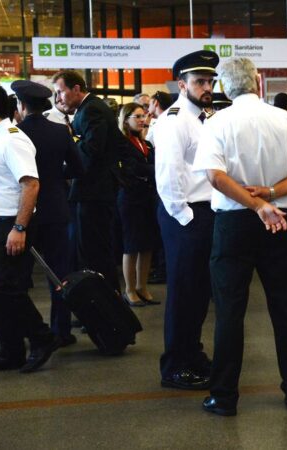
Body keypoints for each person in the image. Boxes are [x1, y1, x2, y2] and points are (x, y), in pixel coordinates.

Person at [193, 57, 287, 417]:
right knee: (286, 307)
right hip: (281, 219)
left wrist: (254, 205)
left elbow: (215, 177)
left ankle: (224, 396)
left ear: (224, 88)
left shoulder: (219, 122)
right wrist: (271, 194)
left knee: (230, 312)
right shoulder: (286, 119)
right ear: (257, 83)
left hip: (235, 224)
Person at [0, 83, 58, 373]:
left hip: (9, 224)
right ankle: (11, 350)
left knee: (2, 286)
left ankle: (42, 337)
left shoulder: (11, 139)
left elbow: (30, 183)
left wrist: (19, 227)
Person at [154, 50, 219, 390]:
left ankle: (192, 355)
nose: (206, 86)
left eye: (209, 81)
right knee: (183, 292)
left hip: (202, 213)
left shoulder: (201, 118)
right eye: (199, 81)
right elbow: (168, 174)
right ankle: (175, 366)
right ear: (182, 84)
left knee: (197, 292)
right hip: (186, 215)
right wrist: (186, 218)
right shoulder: (174, 119)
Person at [12, 80, 83, 347]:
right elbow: (78, 169)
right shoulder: (60, 131)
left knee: (19, 275)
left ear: (21, 104)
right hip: (56, 208)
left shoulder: (14, 133)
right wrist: (54, 177)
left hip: (25, 212)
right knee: (59, 273)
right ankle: (61, 331)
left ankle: (26, 330)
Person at [52, 70, 121, 290]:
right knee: (94, 252)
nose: (58, 99)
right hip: (94, 191)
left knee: (95, 254)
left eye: (60, 92)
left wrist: (59, 171)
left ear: (76, 89)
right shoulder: (87, 109)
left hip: (95, 193)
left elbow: (91, 151)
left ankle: (105, 312)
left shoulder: (91, 109)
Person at [116, 102, 160, 307]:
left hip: (147, 197)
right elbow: (134, 169)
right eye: (138, 117)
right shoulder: (122, 144)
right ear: (126, 120)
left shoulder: (146, 143)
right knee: (132, 245)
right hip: (130, 198)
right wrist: (154, 169)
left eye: (144, 116)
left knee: (147, 245)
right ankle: (129, 289)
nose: (143, 120)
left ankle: (142, 286)